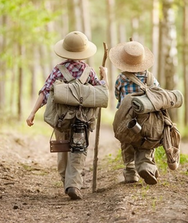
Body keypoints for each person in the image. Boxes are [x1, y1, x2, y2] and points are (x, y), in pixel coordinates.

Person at [26, 31, 108, 200]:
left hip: (61, 119)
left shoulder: (58, 70)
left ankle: (66, 180)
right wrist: (104, 77)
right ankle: (73, 184)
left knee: (62, 149)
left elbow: (45, 92)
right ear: (83, 52)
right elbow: (101, 92)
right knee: (79, 150)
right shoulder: (89, 72)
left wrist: (32, 112)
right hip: (82, 119)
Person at [109, 41, 160, 185]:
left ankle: (130, 170)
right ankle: (145, 166)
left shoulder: (121, 79)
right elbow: (157, 94)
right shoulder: (151, 78)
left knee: (127, 141)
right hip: (147, 117)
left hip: (128, 117)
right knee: (146, 141)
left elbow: (118, 97)